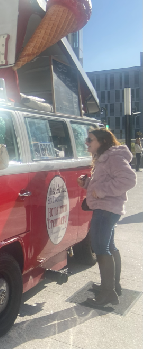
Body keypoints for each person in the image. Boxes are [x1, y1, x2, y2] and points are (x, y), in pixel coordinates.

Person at [77, 128, 136, 306]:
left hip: (106, 209)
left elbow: (129, 180)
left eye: (90, 139)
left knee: (100, 248)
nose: (86, 142)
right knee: (109, 246)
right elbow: (106, 180)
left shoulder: (112, 157)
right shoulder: (105, 156)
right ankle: (113, 286)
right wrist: (87, 183)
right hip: (107, 208)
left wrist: (101, 191)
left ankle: (107, 293)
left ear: (102, 141)